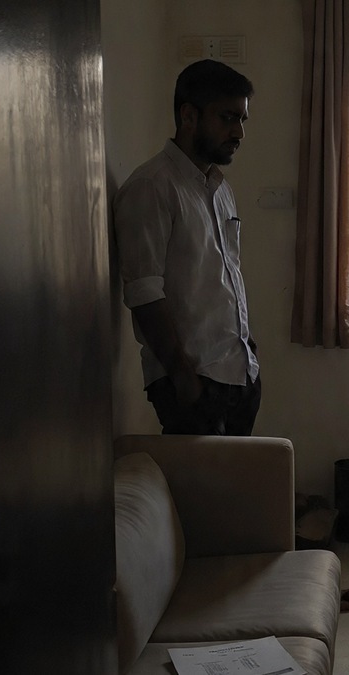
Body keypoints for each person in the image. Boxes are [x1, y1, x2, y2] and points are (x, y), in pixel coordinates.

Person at [113, 59, 261, 436]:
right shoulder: (151, 187)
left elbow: (224, 277)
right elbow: (144, 292)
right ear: (189, 116)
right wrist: (184, 380)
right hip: (193, 383)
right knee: (197, 477)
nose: (239, 132)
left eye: (242, 119)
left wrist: (248, 352)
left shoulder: (220, 189)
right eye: (228, 118)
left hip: (239, 375)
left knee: (241, 475)